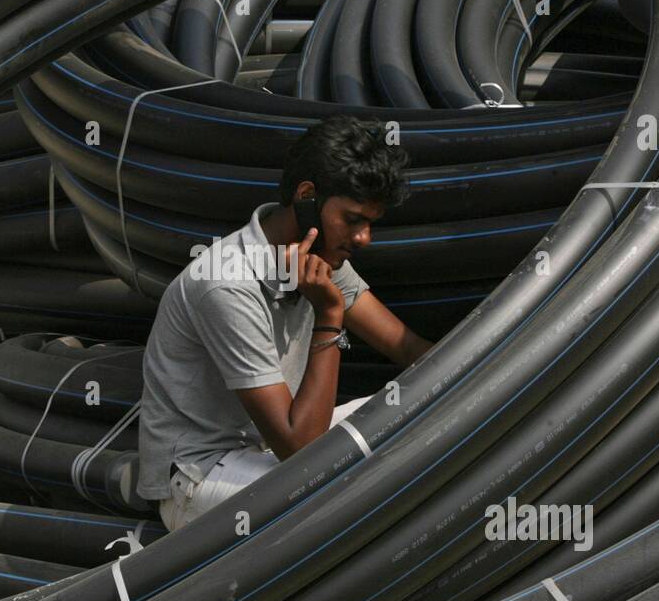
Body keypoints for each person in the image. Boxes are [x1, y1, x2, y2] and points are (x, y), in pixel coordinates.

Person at [136, 115, 435, 531]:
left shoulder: (322, 258)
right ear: (307, 196)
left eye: (370, 223)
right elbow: (301, 448)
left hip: (275, 451)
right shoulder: (226, 284)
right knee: (345, 494)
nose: (365, 237)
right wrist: (329, 318)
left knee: (420, 408)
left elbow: (406, 347)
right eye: (352, 220)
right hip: (203, 477)